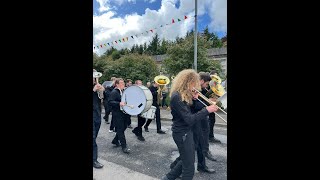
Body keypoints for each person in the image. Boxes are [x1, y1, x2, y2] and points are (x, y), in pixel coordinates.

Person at [161, 69, 218, 180]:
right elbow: (189, 119)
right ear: (188, 81)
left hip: (186, 132)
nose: (196, 86)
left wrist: (195, 99)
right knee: (189, 168)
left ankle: (168, 178)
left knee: (185, 161)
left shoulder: (183, 95)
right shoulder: (177, 96)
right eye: (194, 83)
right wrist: (206, 110)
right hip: (182, 133)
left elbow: (190, 110)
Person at [108, 78, 130, 153]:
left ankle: (115, 140)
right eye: (121, 83)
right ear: (117, 84)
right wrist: (119, 103)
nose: (123, 84)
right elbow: (110, 102)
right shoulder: (114, 92)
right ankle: (124, 146)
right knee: (120, 129)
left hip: (123, 112)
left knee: (124, 126)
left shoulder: (123, 91)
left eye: (123, 82)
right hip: (117, 113)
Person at [93, 69, 105, 169]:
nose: (94, 78)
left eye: (95, 77)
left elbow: (101, 98)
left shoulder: (97, 86)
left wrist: (101, 90)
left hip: (97, 115)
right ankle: (94, 160)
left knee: (94, 137)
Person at [208, 70, 222, 144]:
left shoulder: (215, 84)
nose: (215, 78)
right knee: (210, 121)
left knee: (212, 120)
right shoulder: (209, 84)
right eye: (214, 76)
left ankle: (210, 136)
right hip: (207, 105)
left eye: (216, 76)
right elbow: (207, 94)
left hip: (212, 104)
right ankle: (210, 136)